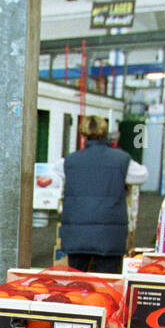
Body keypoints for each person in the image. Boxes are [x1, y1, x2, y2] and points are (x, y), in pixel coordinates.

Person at [58, 115, 149, 274]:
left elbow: (54, 174)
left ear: (83, 134)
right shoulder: (121, 160)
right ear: (107, 132)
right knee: (108, 285)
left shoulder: (70, 161)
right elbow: (142, 175)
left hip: (76, 234)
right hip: (110, 236)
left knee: (74, 283)